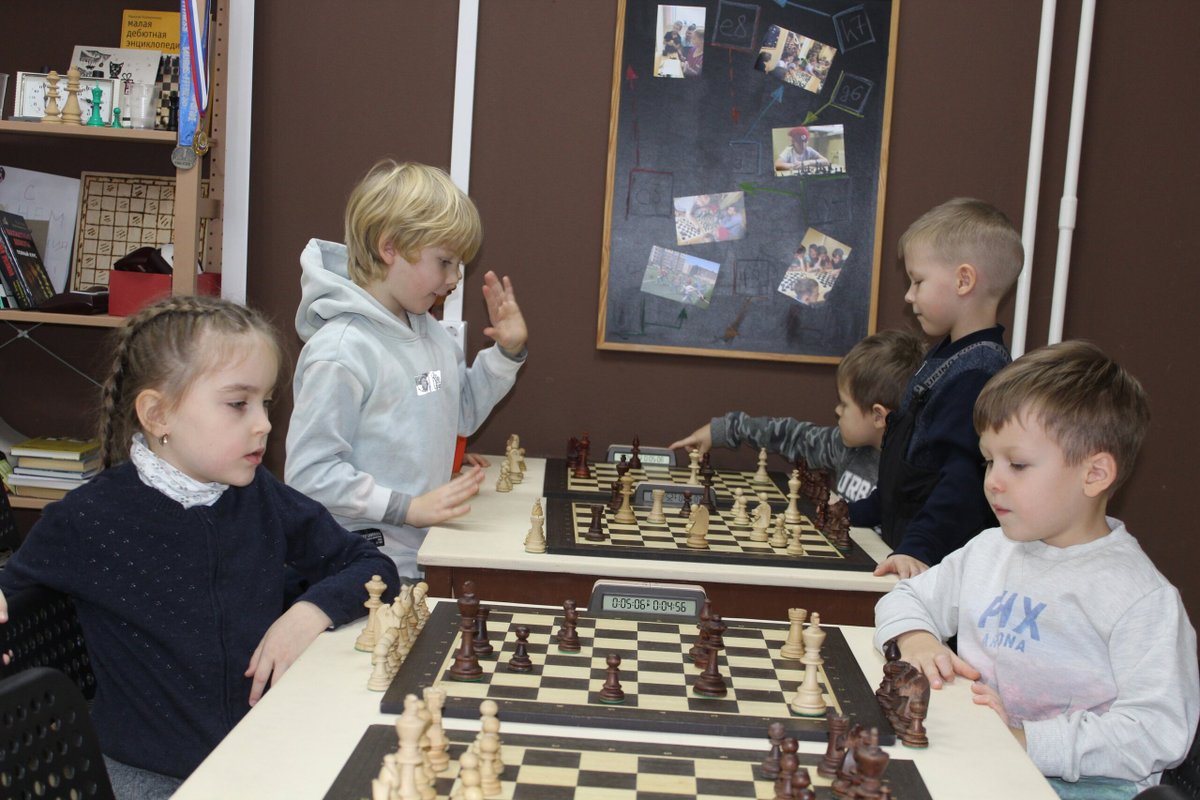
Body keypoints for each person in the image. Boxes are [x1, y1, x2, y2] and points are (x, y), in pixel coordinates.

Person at [0, 295, 399, 797]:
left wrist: (308, 613)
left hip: (257, 752)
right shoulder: (87, 517)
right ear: (158, 415)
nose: (264, 423)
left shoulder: (258, 495)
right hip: (147, 778)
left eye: (266, 402)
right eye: (238, 404)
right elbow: (15, 589)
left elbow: (371, 564)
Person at [874, 341, 1199, 799]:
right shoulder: (990, 550)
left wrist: (1025, 739)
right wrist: (917, 639)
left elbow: (1158, 733)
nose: (993, 481)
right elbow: (905, 597)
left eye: (1018, 464)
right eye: (989, 461)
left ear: (1094, 474)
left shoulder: (1140, 597)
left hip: (1086, 788)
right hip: (987, 760)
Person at [286, 160, 528, 579]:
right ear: (390, 248)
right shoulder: (341, 352)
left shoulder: (430, 334)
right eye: (445, 262)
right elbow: (311, 474)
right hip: (356, 562)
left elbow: (461, 413)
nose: (454, 279)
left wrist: (506, 353)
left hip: (423, 552)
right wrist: (407, 507)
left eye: (460, 266)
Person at [851, 197, 1023, 579]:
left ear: (964, 280)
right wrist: (855, 513)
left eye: (917, 281)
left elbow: (962, 482)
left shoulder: (977, 374)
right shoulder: (945, 356)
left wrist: (918, 548)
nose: (909, 295)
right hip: (909, 549)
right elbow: (908, 475)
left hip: (937, 567)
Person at [669, 329, 926, 503]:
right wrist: (724, 430)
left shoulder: (916, 472)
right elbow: (791, 435)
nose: (837, 410)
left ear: (878, 417)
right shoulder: (843, 447)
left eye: (845, 404)